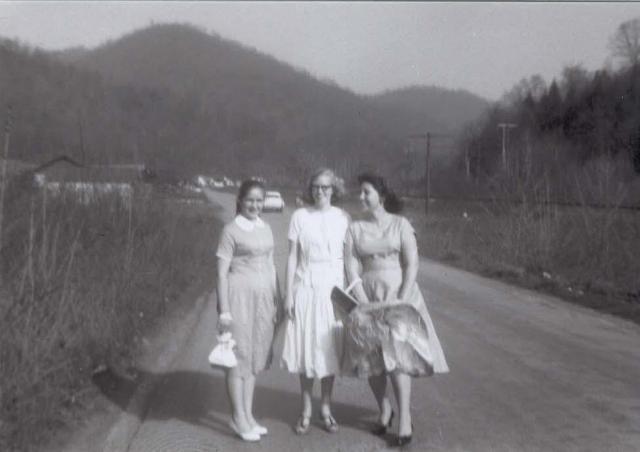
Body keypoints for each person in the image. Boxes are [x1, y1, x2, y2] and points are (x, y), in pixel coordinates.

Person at [343, 173, 449, 447]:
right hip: (368, 298)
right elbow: (351, 266)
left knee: (398, 359)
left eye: (367, 192)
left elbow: (411, 264)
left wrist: (401, 299)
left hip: (400, 297)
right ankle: (384, 408)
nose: (361, 197)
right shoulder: (354, 228)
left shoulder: (401, 225)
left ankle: (404, 419)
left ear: (382, 195)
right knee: (371, 361)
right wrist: (362, 298)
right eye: (360, 192)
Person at [280, 168, 350, 435]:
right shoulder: (300, 216)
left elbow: (348, 260)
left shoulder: (343, 218)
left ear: (334, 190)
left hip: (333, 291)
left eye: (325, 187)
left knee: (328, 351)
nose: (320, 191)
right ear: (310, 190)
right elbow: (292, 258)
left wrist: (348, 296)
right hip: (306, 289)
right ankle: (306, 409)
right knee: (307, 351)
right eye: (316, 187)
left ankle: (326, 409)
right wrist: (289, 294)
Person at [215, 179, 280, 442]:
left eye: (259, 200)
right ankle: (237, 417)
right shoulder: (230, 230)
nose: (255, 205)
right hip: (238, 298)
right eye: (250, 200)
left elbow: (272, 265)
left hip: (264, 300)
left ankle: (249, 415)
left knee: (255, 357)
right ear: (240, 201)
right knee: (237, 357)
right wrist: (224, 310)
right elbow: (221, 274)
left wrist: (278, 297)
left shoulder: (265, 227)